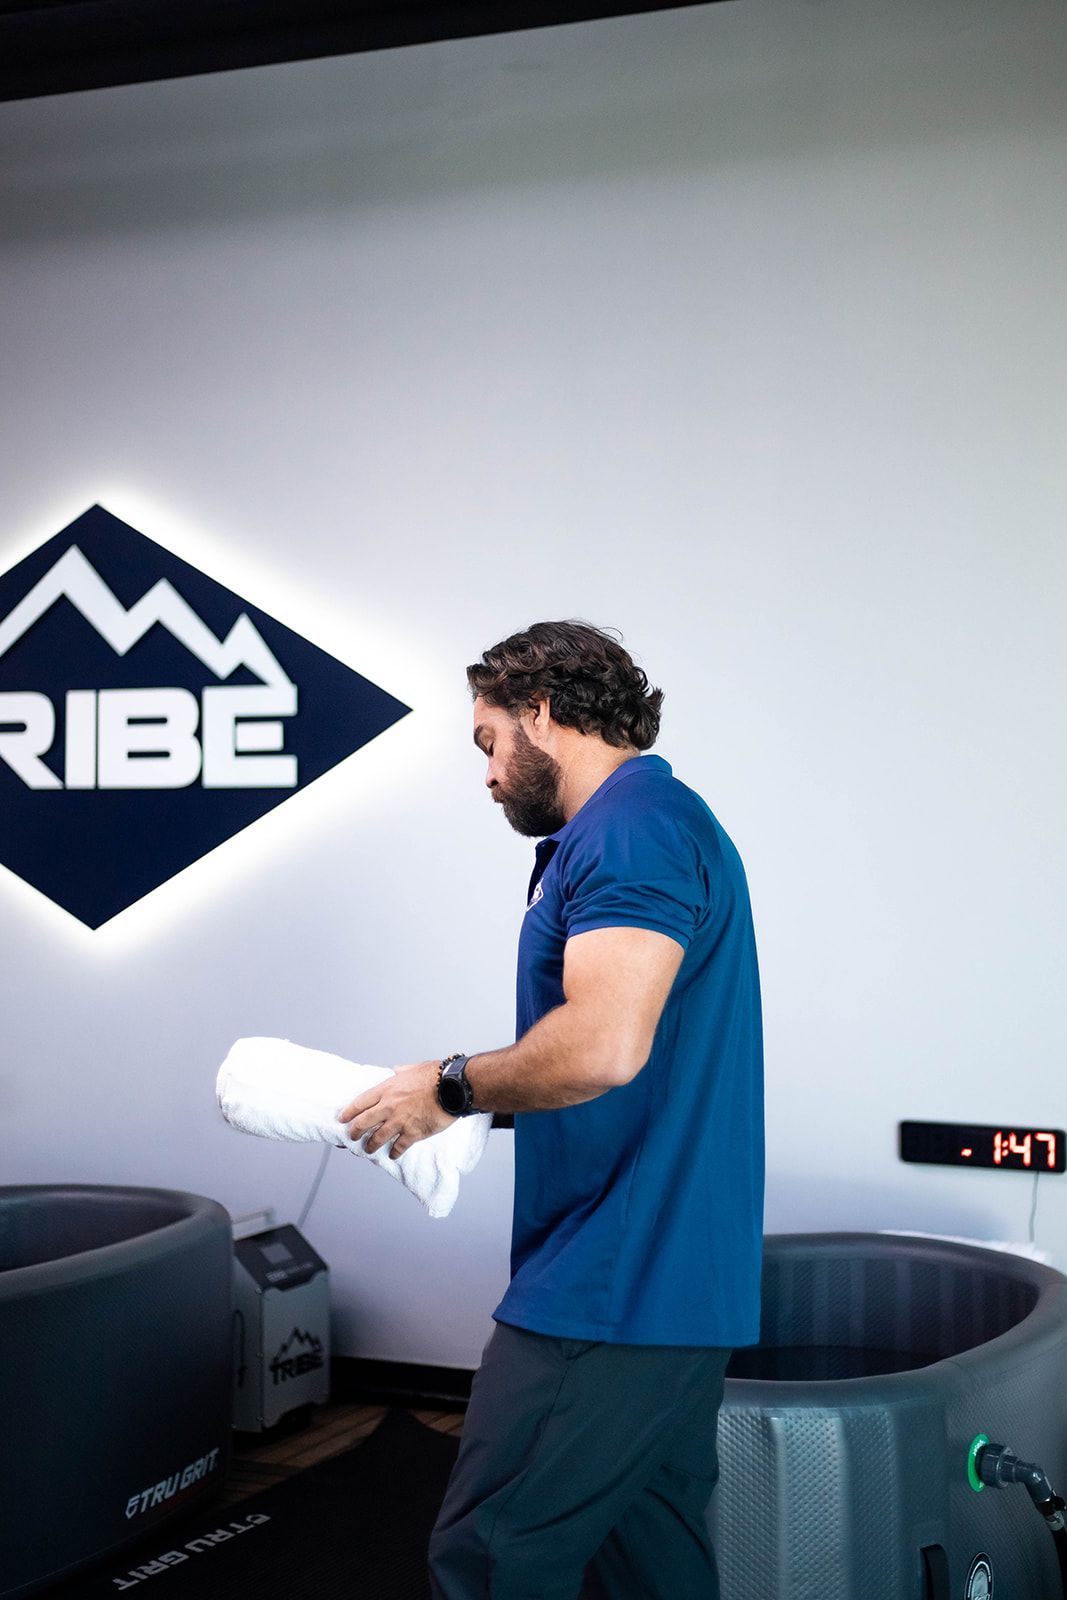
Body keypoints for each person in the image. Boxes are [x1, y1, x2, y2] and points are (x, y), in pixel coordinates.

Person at [339, 620, 765, 1600]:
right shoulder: (640, 826)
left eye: (487, 741)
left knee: (492, 1554)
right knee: (644, 1562)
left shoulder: (630, 830)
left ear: (540, 713)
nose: (486, 772)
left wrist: (448, 1086)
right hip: (674, 1287)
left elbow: (605, 1043)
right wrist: (461, 1107)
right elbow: (632, 1057)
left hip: (609, 1284)